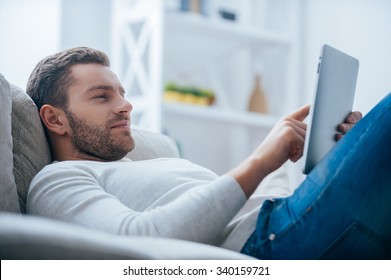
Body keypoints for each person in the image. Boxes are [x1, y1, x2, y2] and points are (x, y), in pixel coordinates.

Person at [26, 47, 391, 259]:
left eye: (122, 93)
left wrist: (332, 157)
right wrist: (262, 160)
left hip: (287, 217)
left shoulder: (147, 164)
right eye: (102, 96)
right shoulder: (57, 180)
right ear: (55, 119)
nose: (126, 106)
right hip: (272, 242)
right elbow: (137, 240)